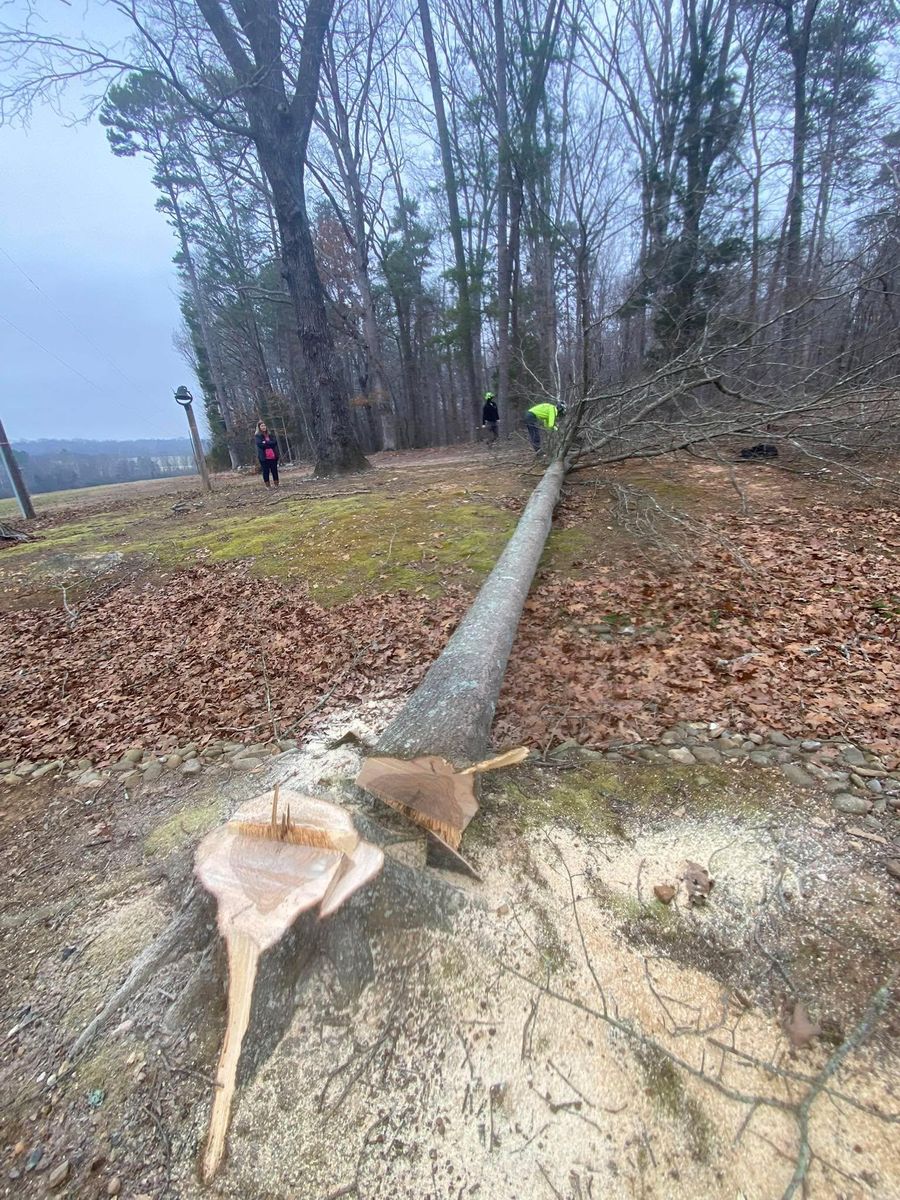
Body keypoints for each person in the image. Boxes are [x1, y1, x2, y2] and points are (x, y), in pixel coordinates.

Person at [254, 421, 280, 489]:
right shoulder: (258, 436)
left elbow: (274, 442)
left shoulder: (270, 435)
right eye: (262, 426)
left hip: (273, 456)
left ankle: (276, 483)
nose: (263, 427)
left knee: (274, 470)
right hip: (264, 457)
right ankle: (268, 485)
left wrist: (266, 442)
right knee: (266, 471)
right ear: (259, 427)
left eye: (264, 426)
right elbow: (260, 445)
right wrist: (269, 444)